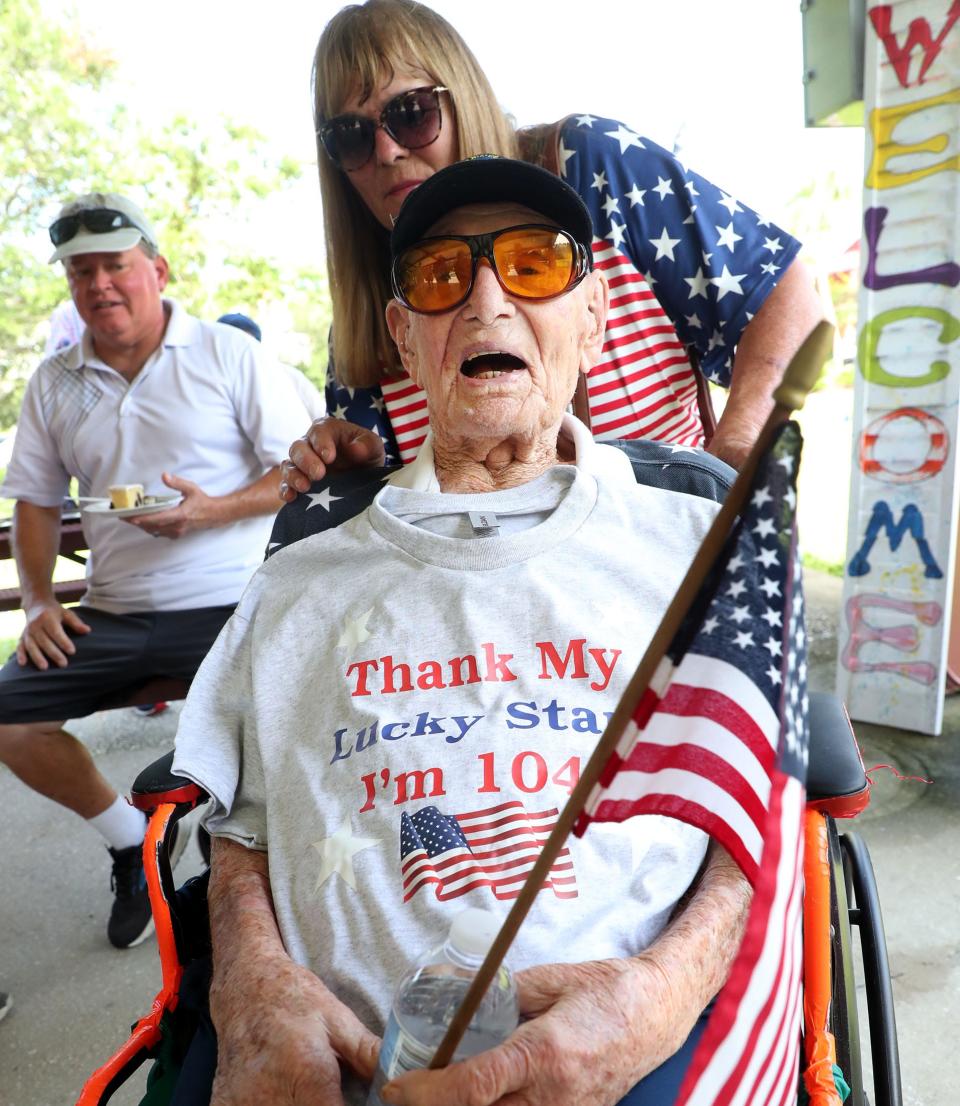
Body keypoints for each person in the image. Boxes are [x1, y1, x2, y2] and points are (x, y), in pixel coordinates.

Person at [172, 157, 759, 1106]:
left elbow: (767, 801)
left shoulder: (698, 540)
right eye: (443, 277)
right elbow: (239, 821)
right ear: (405, 338)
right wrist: (252, 983)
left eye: (533, 265)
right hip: (342, 1062)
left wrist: (664, 991)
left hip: (641, 1059)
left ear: (595, 319)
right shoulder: (300, 576)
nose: (486, 298)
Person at [279, 0, 822, 502]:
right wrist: (360, 468)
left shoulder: (587, 167)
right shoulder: (368, 319)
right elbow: (407, 510)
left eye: (412, 111)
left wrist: (732, 459)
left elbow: (786, 292)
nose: (387, 150)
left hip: (681, 569)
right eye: (350, 135)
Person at [0, 191, 310, 950]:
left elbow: (299, 472)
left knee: (294, 716)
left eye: (115, 265)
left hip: (229, 604)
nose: (99, 284)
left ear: (157, 269)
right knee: (10, 717)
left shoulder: (226, 354)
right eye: (81, 272)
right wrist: (39, 601)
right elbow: (36, 502)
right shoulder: (56, 380)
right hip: (110, 610)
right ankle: (131, 842)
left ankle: (263, 876)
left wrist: (212, 511)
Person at [217, 312, 327, 421]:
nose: (236, 353)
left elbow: (320, 417)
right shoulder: (209, 382)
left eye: (243, 345)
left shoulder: (289, 377)